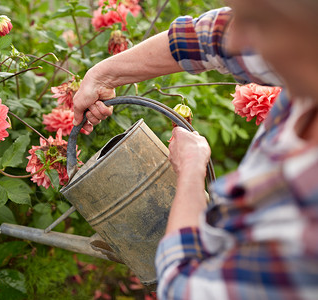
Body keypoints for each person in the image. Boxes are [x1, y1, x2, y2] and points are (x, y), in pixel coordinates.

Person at [72, 0, 318, 299]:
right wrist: (104, 74)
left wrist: (190, 172)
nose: (236, 38)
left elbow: (184, 290)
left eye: (257, 21)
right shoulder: (302, 48)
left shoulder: (306, 209)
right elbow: (211, 38)